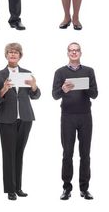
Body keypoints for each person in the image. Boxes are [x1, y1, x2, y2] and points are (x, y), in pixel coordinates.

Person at [0, 42, 40, 200]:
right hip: (6, 119)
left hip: (25, 118)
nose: (12, 55)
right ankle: (10, 189)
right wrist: (3, 90)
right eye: (10, 52)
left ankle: (18, 187)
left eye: (15, 53)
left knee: (19, 153)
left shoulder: (27, 73)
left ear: (20, 56)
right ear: (6, 55)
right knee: (9, 154)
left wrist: (33, 86)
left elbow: (36, 96)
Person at [52, 42, 98, 200]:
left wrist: (84, 86)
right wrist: (63, 89)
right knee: (67, 154)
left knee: (85, 154)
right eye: (71, 50)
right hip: (67, 117)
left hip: (85, 116)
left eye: (76, 50)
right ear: (67, 53)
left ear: (80, 53)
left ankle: (84, 189)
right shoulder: (60, 72)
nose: (74, 53)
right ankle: (66, 188)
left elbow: (95, 94)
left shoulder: (89, 71)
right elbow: (55, 95)